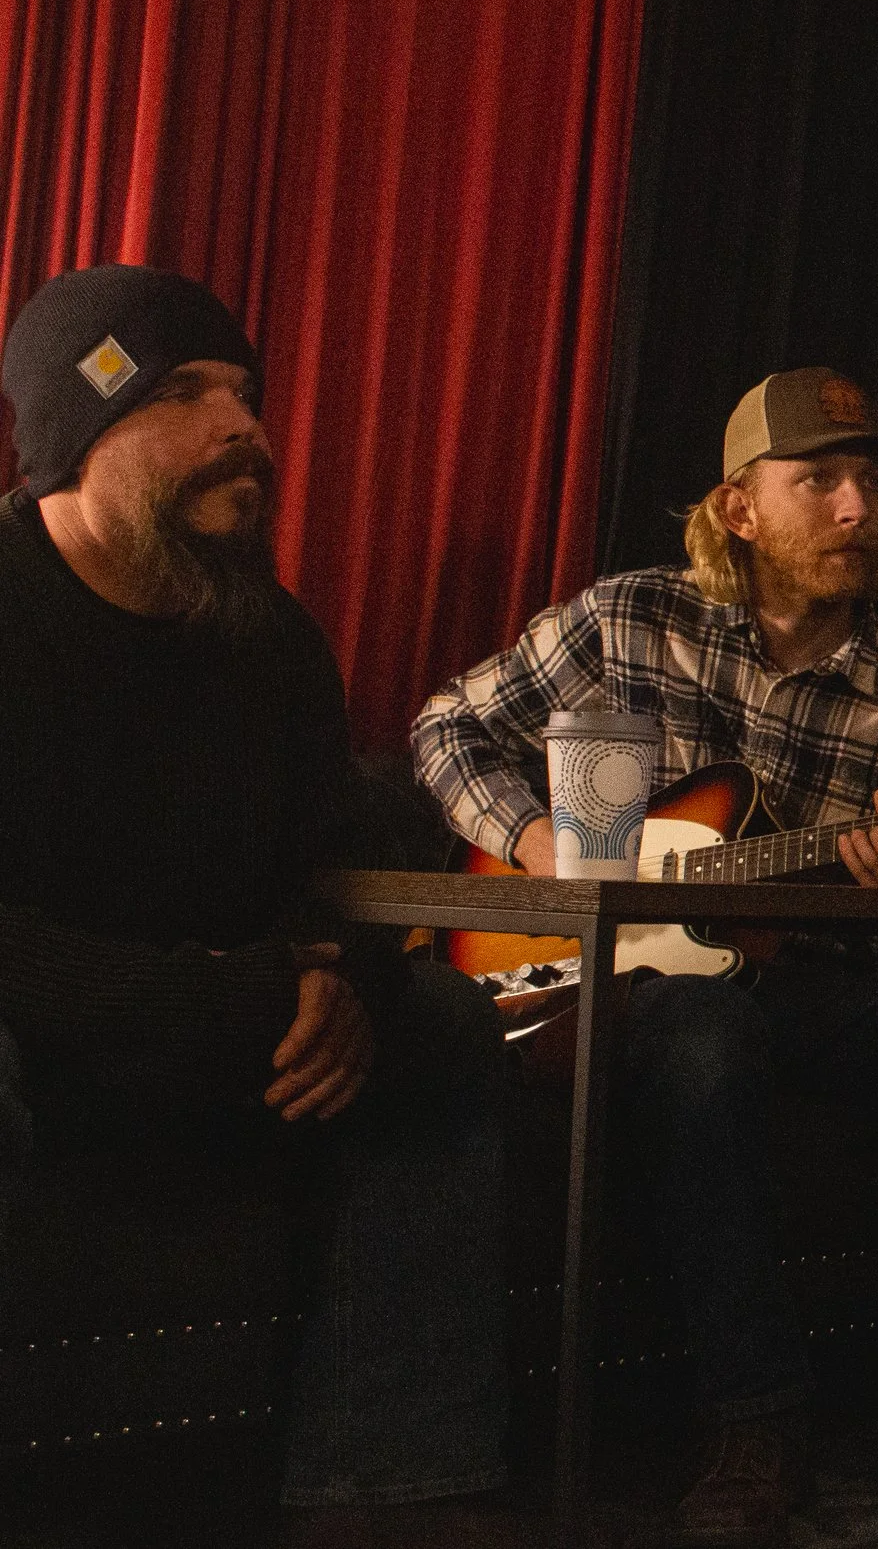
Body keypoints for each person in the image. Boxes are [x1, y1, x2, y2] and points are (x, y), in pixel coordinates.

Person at [411, 368, 878, 1544]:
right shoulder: (627, 620)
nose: (859, 507)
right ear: (739, 508)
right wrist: (541, 838)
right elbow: (446, 725)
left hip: (828, 993)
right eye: (821, 479)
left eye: (872, 481)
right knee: (710, 1029)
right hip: (635, 988)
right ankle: (755, 1417)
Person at [0, 264, 517, 1547]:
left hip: (225, 1032)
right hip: (46, 1030)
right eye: (187, 394)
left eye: (247, 392)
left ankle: (384, 1481)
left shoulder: (269, 636)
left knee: (448, 1030)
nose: (249, 427)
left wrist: (345, 973)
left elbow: (337, 853)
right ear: (77, 436)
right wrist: (242, 992)